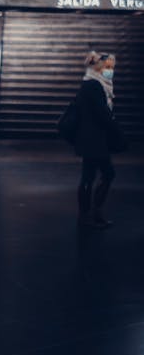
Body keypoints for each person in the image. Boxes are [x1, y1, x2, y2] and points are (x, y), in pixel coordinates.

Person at [75, 50, 122, 228]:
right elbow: (101, 114)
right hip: (93, 139)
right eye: (108, 66)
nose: (111, 70)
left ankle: (90, 215)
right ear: (99, 67)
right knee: (103, 174)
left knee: (90, 175)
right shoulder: (93, 85)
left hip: (94, 138)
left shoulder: (97, 84)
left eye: (112, 66)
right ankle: (90, 215)